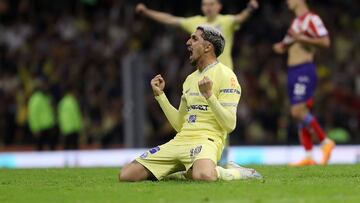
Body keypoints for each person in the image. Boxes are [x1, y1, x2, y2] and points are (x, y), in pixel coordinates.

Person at [119, 25, 262, 181]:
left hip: (207, 140)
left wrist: (209, 96)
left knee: (204, 176)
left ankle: (235, 172)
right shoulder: (189, 79)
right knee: (127, 175)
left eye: (194, 39)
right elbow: (180, 125)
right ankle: (185, 173)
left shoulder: (227, 76)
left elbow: (230, 124)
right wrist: (160, 96)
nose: (188, 42)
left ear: (208, 47)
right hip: (180, 140)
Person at [273, 0, 335, 166]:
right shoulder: (296, 23)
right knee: (301, 113)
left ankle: (325, 142)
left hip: (304, 69)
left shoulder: (312, 19)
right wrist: (281, 46)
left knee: (297, 111)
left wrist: (301, 38)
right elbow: (285, 45)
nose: (287, 2)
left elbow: (325, 41)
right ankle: (309, 155)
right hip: (293, 71)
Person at [135, 0, 259, 70]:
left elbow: (241, 17)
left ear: (219, 6)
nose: (208, 7)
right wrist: (147, 12)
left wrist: (250, 8)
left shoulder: (227, 21)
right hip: (203, 72)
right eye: (205, 4)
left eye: (211, 4)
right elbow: (170, 19)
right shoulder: (195, 22)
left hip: (223, 71)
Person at [28, 79, 57, 151]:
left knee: (51, 148)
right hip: (41, 128)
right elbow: (33, 115)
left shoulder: (47, 97)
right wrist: (35, 128)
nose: (46, 87)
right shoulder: (35, 99)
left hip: (49, 126)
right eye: (44, 86)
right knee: (40, 149)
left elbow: (50, 111)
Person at [58, 85, 83, 150]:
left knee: (66, 147)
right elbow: (76, 115)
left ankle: (66, 160)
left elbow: (60, 116)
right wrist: (79, 127)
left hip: (65, 128)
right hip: (73, 127)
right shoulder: (73, 101)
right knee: (75, 147)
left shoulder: (62, 102)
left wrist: (62, 127)